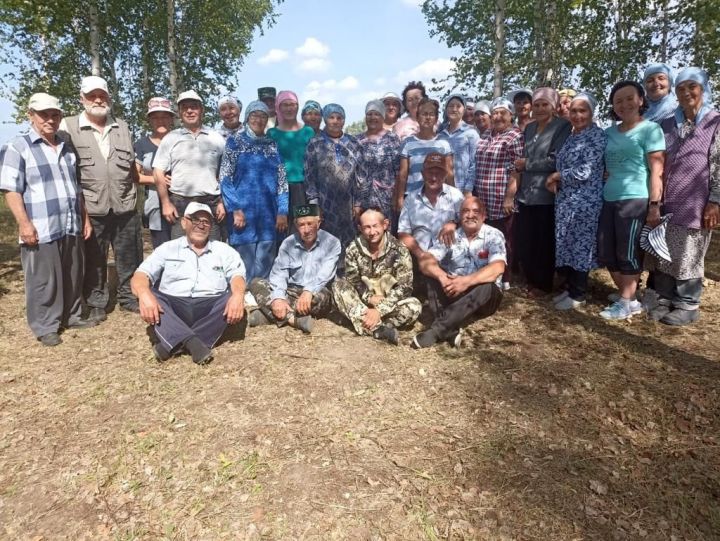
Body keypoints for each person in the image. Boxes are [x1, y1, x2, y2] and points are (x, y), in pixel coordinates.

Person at [0, 92, 94, 346]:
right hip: (40, 225)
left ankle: (72, 315)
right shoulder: (17, 147)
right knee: (44, 278)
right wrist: (24, 223)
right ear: (31, 115)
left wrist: (84, 218)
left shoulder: (65, 145)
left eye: (55, 115)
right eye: (44, 115)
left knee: (72, 273)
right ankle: (45, 324)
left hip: (70, 221)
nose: (50, 120)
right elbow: (11, 189)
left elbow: (76, 187)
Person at [61, 75, 143, 320]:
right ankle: (97, 301)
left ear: (109, 97)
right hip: (92, 207)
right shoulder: (68, 126)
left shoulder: (123, 126)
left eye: (102, 95)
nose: (98, 99)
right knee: (94, 258)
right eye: (92, 95)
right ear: (82, 98)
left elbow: (132, 167)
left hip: (125, 204)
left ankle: (129, 297)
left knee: (130, 256)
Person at [645, 67, 720, 325]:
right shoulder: (668, 123)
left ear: (703, 89)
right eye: (680, 88)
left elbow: (718, 163)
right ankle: (664, 299)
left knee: (689, 252)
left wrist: (715, 201)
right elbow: (657, 161)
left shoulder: (715, 121)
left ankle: (687, 305)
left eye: (692, 86)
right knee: (664, 252)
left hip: (697, 201)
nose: (686, 92)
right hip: (668, 199)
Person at [130, 202, 246, 365]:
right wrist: (144, 294)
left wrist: (238, 295)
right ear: (184, 222)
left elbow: (237, 276)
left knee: (230, 296)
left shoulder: (224, 250)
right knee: (151, 293)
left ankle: (173, 342)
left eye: (205, 222)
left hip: (210, 307)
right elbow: (140, 276)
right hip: (174, 306)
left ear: (211, 227)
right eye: (195, 220)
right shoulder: (167, 248)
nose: (200, 225)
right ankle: (194, 343)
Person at [597, 80, 665, 320]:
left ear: (640, 100)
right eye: (618, 101)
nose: (624, 104)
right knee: (606, 251)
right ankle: (629, 294)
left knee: (628, 251)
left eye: (629, 98)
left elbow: (656, 170)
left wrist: (654, 206)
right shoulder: (608, 133)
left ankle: (627, 302)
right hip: (608, 197)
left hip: (635, 198)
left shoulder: (650, 130)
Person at [414, 197, 505, 348]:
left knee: (487, 285)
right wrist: (442, 278)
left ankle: (437, 331)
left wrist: (466, 282)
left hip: (485, 298)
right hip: (455, 291)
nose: (470, 215)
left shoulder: (494, 235)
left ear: (484, 216)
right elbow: (425, 261)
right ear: (460, 215)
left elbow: (498, 268)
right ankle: (450, 331)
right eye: (465, 211)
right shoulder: (452, 235)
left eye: (476, 211)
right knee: (430, 275)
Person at [546, 93, 607, 310]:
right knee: (568, 243)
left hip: (586, 201)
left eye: (583, 111)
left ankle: (579, 293)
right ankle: (570, 288)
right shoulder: (572, 136)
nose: (578, 115)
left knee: (581, 246)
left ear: (591, 113)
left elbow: (585, 171)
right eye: (573, 111)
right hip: (567, 200)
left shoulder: (596, 136)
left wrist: (556, 176)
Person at [220, 100, 289, 286]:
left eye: (263, 116)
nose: (258, 119)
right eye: (254, 115)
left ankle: (261, 305)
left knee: (265, 263)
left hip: (268, 215)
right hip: (243, 215)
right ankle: (242, 301)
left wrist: (282, 211)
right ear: (247, 117)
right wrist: (235, 208)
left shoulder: (272, 145)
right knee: (244, 263)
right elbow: (225, 178)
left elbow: (282, 181)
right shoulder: (235, 142)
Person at [332, 208, 422, 345]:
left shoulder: (399, 250)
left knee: (414, 306)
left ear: (385, 225)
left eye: (375, 226)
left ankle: (364, 322)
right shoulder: (353, 249)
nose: (372, 232)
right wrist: (369, 298)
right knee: (339, 285)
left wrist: (379, 310)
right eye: (367, 227)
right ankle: (378, 329)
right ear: (360, 228)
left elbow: (405, 287)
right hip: (362, 302)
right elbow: (353, 281)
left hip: (388, 303)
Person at [514, 88, 571, 295]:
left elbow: (557, 160)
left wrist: (527, 164)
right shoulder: (529, 129)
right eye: (536, 105)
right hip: (526, 195)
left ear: (554, 106)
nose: (539, 109)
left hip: (545, 194)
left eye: (544, 104)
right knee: (526, 239)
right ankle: (529, 279)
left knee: (543, 241)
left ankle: (542, 284)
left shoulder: (562, 127)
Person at [249, 204, 341, 333]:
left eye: (310, 224)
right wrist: (279, 298)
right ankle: (294, 319)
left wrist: (308, 292)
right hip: (291, 291)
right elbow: (279, 273)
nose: (306, 229)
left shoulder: (332, 243)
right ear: (296, 225)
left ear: (319, 223)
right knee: (256, 283)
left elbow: (325, 275)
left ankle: (268, 314)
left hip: (317, 292)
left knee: (322, 298)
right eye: (301, 225)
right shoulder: (288, 243)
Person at [153, 90, 226, 242]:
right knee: (180, 253)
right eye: (185, 108)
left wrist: (222, 202)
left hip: (211, 203)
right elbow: (158, 172)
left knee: (212, 253)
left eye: (194, 107)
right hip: (180, 204)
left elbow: (227, 174)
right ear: (179, 112)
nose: (189, 111)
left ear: (202, 110)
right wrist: (166, 203)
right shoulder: (171, 138)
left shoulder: (216, 138)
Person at [473, 97, 524, 290]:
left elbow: (517, 169)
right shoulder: (486, 134)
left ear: (511, 115)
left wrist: (509, 197)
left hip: (502, 198)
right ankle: (487, 273)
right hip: (484, 197)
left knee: (505, 239)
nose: (498, 116)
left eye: (503, 112)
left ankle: (505, 277)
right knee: (486, 237)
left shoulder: (515, 136)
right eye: (495, 112)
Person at [304, 103, 365, 249]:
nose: (335, 121)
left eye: (339, 117)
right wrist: (315, 204)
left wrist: (358, 203)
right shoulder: (315, 143)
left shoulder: (354, 143)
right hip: (325, 204)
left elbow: (361, 175)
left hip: (348, 203)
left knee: (351, 242)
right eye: (331, 117)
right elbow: (309, 176)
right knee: (326, 242)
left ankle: (348, 270)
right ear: (325, 119)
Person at [398, 153, 464, 264]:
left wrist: (454, 224)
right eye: (430, 173)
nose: (434, 177)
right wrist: (422, 255)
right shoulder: (411, 199)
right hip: (418, 257)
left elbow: (469, 223)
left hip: (450, 258)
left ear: (445, 175)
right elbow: (403, 234)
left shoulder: (455, 195)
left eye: (438, 173)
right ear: (423, 174)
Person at [394, 98, 454, 213]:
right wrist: (400, 198)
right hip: (412, 198)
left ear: (436, 119)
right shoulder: (408, 143)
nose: (427, 117)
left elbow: (449, 174)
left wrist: (452, 197)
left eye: (431, 114)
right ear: (417, 117)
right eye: (424, 114)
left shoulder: (444, 143)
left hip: (438, 198)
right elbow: (402, 174)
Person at [135, 97, 174, 248]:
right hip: (156, 209)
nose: (160, 121)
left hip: (183, 204)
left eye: (164, 116)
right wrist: (158, 179)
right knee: (162, 251)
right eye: (156, 117)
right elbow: (135, 176)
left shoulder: (181, 140)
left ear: (171, 118)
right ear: (150, 120)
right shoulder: (141, 144)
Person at [268, 90, 316, 212]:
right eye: (285, 105)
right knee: (281, 228)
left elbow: (314, 164)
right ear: (278, 108)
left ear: (297, 107)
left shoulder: (308, 132)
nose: (289, 108)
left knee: (304, 227)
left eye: (292, 104)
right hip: (279, 189)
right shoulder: (271, 134)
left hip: (304, 189)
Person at [355, 100, 402, 221]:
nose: (373, 117)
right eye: (369, 114)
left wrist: (397, 198)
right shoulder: (356, 140)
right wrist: (356, 202)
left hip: (387, 198)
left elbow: (399, 172)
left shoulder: (392, 139)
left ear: (383, 116)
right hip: (363, 200)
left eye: (377, 114)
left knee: (386, 234)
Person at [438, 94, 481, 196]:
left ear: (464, 109)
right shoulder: (440, 136)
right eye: (451, 106)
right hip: (442, 189)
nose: (454, 109)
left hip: (463, 189)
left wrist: (468, 189)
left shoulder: (471, 133)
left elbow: (474, 163)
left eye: (458, 106)